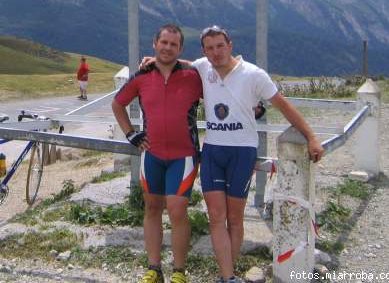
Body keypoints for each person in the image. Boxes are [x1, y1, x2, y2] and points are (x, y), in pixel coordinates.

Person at [141, 25, 324, 283]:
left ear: (230, 45)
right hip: (213, 150)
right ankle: (227, 277)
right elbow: (183, 63)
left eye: (220, 46)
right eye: (210, 48)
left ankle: (229, 273)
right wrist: (155, 59)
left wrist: (312, 137)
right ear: (204, 50)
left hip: (242, 151)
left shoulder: (254, 74)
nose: (216, 53)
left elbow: (283, 105)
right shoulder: (204, 67)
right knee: (216, 216)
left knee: (235, 218)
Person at [112, 24, 203, 283]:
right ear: (155, 43)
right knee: (152, 208)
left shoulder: (193, 76)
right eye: (164, 42)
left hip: (184, 155)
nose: (167, 48)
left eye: (173, 44)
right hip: (151, 154)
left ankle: (179, 271)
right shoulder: (141, 76)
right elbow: (117, 104)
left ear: (180, 49)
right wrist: (132, 135)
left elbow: (221, 87)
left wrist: (253, 107)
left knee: (177, 210)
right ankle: (154, 268)